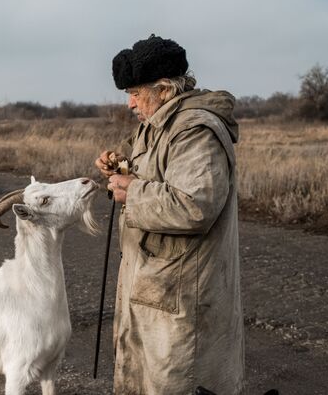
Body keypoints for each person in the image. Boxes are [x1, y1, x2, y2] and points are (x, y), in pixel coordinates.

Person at [95, 34, 244, 394]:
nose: (130, 104)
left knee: (178, 382)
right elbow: (148, 168)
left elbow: (195, 206)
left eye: (136, 93)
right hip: (155, 287)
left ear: (163, 90)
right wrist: (116, 163)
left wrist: (132, 191)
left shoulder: (194, 131)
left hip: (181, 296)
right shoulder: (155, 126)